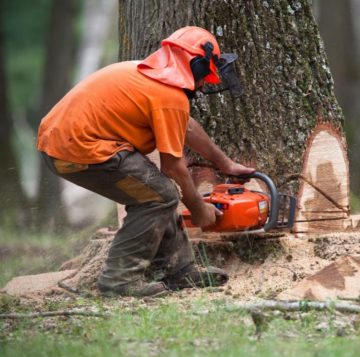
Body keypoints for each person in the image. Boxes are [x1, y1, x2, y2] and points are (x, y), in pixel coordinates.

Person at [36, 26, 255, 297]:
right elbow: (173, 167)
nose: (203, 84)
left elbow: (185, 126)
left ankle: (179, 269)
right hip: (79, 150)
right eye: (204, 76)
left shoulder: (149, 77)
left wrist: (226, 164)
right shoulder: (169, 95)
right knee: (160, 195)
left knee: (158, 193)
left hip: (60, 145)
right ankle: (118, 281)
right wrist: (199, 210)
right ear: (196, 66)